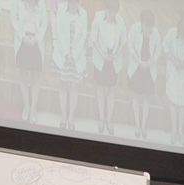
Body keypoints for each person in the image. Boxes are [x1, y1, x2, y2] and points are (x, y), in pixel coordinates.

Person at [88, 0, 125, 135]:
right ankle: (101, 119)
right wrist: (102, 54)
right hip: (101, 57)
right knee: (100, 89)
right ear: (106, 9)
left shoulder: (120, 21)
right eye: (110, 11)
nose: (111, 14)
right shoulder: (98, 16)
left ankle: (109, 120)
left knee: (111, 90)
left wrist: (115, 55)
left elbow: (123, 42)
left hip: (114, 59)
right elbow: (94, 38)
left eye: (114, 12)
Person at [11, 0, 49, 124]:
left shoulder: (41, 4)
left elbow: (44, 24)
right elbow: (14, 20)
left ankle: (33, 108)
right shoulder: (18, 3)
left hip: (36, 42)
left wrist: (37, 39)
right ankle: (26, 106)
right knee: (23, 75)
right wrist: (22, 37)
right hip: (22, 40)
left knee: (36, 77)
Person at [51, 0, 86, 130]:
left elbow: (83, 37)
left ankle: (71, 117)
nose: (73, 5)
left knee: (74, 86)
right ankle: (64, 115)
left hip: (77, 56)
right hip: (63, 54)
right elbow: (59, 32)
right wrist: (66, 52)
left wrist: (74, 54)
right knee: (62, 84)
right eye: (71, 3)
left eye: (76, 3)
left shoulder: (84, 13)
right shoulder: (61, 10)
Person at [162, 16, 184, 145]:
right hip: (173, 70)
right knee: (172, 102)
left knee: (183, 105)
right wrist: (174, 60)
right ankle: (174, 130)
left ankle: (180, 132)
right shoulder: (172, 33)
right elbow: (165, 47)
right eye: (183, 35)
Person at [126, 8, 160, 140]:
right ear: (142, 23)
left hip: (149, 69)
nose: (148, 29)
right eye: (146, 26)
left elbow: (158, 50)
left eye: (150, 26)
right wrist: (139, 61)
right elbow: (130, 45)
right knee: (136, 95)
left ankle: (144, 125)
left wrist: (150, 62)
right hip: (137, 66)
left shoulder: (155, 32)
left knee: (147, 97)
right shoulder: (135, 28)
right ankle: (137, 123)